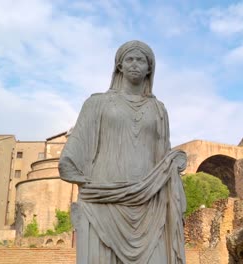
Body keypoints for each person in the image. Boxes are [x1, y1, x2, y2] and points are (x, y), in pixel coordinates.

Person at [59, 40, 187, 264]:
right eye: (130, 59)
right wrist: (73, 170)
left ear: (150, 68)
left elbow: (162, 152)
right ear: (119, 65)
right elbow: (78, 140)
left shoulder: (159, 109)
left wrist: (174, 161)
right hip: (104, 195)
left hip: (150, 198)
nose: (135, 64)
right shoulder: (97, 103)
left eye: (141, 60)